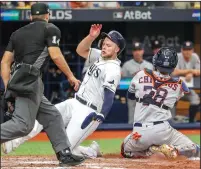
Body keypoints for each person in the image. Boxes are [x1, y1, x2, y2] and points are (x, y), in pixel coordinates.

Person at [2, 24, 126, 159]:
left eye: (109, 45)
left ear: (117, 49)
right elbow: (80, 50)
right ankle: (12, 143)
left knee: (65, 149)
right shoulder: (99, 56)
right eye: (104, 44)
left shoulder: (113, 69)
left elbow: (109, 96)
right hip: (75, 102)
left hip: (89, 111)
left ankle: (90, 152)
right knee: (42, 118)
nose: (104, 47)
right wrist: (91, 37)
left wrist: (101, 116)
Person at [0, 3, 84, 166]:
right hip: (29, 80)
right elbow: (56, 55)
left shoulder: (17, 33)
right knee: (23, 125)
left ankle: (64, 153)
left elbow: (5, 62)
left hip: (20, 79)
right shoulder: (50, 28)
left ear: (31, 17)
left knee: (52, 116)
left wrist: (7, 86)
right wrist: (71, 76)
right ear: (47, 15)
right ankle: (65, 154)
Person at [120, 47, 200, 160]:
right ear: (173, 65)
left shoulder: (140, 74)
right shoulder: (180, 84)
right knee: (194, 149)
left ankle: (148, 152)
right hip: (163, 131)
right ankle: (174, 150)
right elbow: (177, 96)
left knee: (125, 150)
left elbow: (130, 96)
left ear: (156, 61)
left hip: (139, 133)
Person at [122, 41, 153, 124]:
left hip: (147, 95)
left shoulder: (150, 65)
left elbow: (154, 81)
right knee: (132, 119)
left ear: (143, 51)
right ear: (132, 52)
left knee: (147, 119)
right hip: (133, 94)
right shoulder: (126, 65)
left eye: (139, 50)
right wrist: (133, 77)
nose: (137, 52)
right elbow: (122, 83)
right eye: (135, 50)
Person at [172, 41, 200, 122]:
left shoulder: (195, 56)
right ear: (181, 50)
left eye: (189, 49)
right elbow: (174, 72)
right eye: (185, 49)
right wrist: (190, 71)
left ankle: (191, 122)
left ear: (192, 50)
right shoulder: (176, 56)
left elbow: (199, 71)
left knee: (195, 99)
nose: (187, 51)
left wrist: (191, 74)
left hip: (188, 89)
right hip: (175, 88)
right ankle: (171, 122)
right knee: (171, 100)